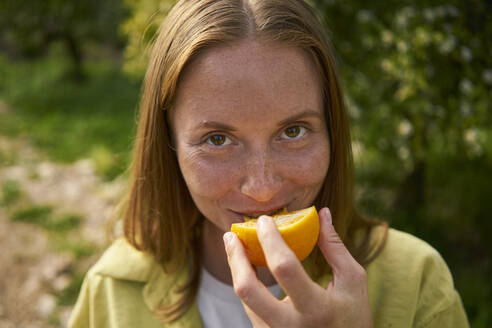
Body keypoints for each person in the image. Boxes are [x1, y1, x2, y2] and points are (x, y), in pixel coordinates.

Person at [68, 0, 469, 327]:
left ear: (332, 131)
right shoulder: (112, 293)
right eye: (217, 139)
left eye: (293, 131)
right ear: (168, 146)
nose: (261, 188)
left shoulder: (417, 283)